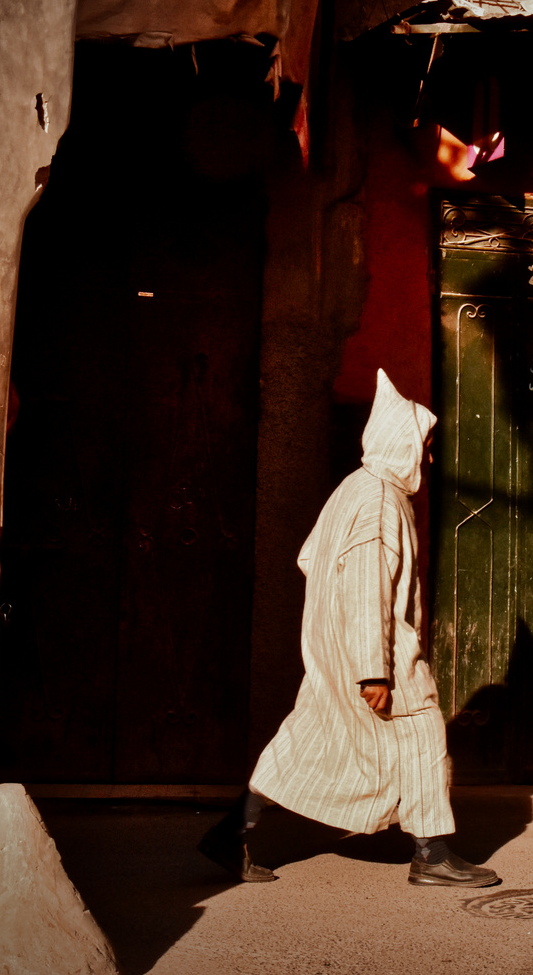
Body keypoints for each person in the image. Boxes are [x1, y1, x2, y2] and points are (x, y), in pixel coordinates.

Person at [198, 369, 498, 887]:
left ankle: (231, 833)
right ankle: (431, 855)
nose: (428, 457)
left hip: (333, 643)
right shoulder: (381, 500)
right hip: (372, 651)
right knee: (423, 727)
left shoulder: (352, 489)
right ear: (402, 443)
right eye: (425, 445)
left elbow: (310, 557)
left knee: (310, 739)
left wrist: (337, 642)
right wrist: (372, 670)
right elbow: (366, 586)